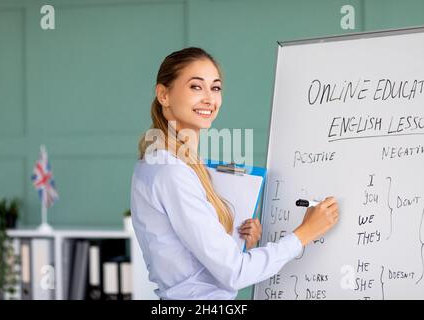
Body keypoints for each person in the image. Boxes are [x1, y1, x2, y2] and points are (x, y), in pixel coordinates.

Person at [130, 47, 339, 300]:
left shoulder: (163, 162)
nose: (209, 99)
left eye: (215, 88)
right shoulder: (172, 172)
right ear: (164, 94)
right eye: (196, 87)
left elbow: (188, 255)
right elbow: (235, 273)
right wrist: (305, 233)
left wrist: (235, 242)